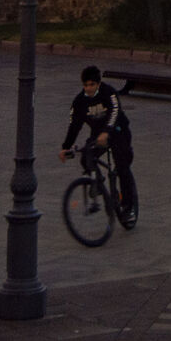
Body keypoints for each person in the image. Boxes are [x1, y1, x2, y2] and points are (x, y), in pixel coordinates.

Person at [60, 64, 135, 227]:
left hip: (118, 130)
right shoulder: (79, 102)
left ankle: (128, 207)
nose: (88, 88)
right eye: (85, 85)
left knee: (122, 167)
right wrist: (66, 146)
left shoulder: (109, 92)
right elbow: (74, 125)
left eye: (92, 85)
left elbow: (115, 111)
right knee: (87, 157)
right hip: (98, 135)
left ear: (98, 84)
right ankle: (98, 183)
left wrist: (107, 131)